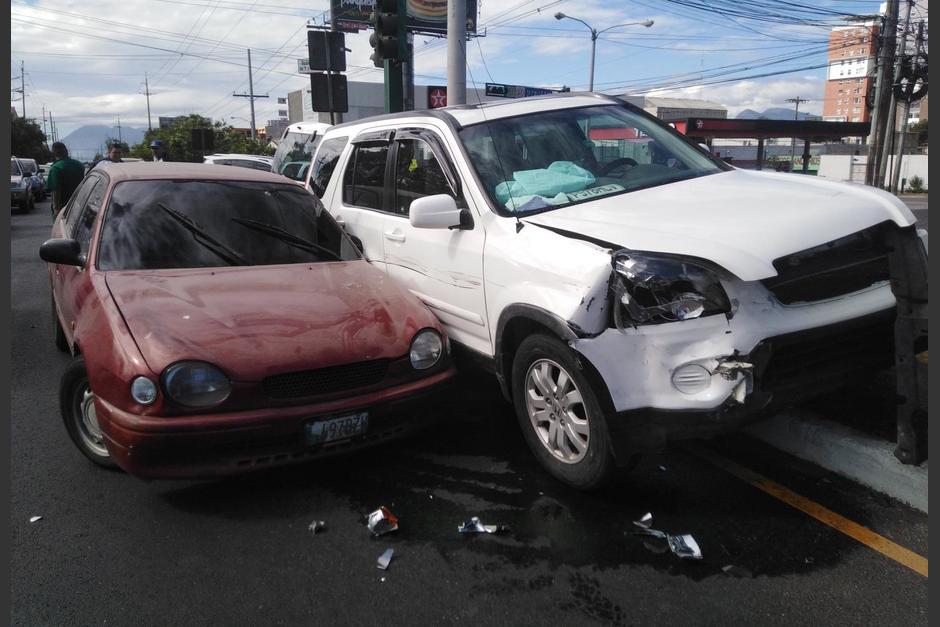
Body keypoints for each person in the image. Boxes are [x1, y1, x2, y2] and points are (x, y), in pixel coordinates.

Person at [46, 141, 86, 219]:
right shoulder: (79, 165)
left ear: (54, 153)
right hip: (79, 206)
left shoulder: (56, 168)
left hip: (64, 210)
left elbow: (55, 191)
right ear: (66, 151)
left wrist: (56, 209)